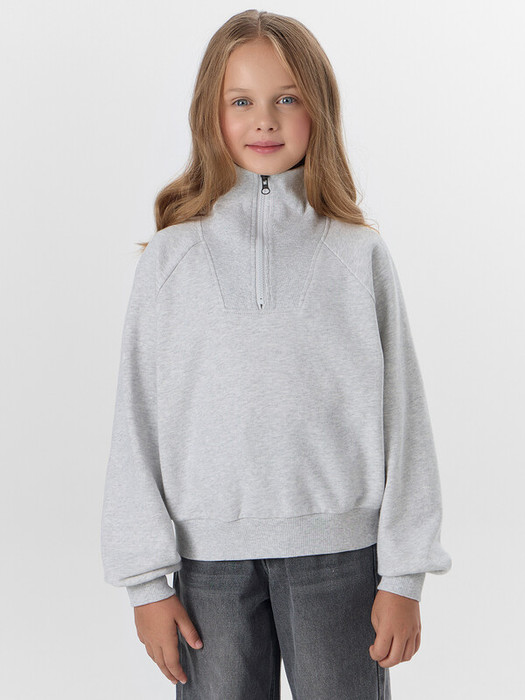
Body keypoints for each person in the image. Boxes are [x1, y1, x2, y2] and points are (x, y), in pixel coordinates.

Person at [100, 9, 452, 699]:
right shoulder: (170, 259)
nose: (264, 120)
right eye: (241, 101)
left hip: (341, 559)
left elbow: (404, 416)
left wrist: (405, 574)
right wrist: (146, 583)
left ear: (318, 108)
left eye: (286, 98)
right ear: (210, 114)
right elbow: (135, 419)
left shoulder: (358, 255)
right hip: (208, 566)